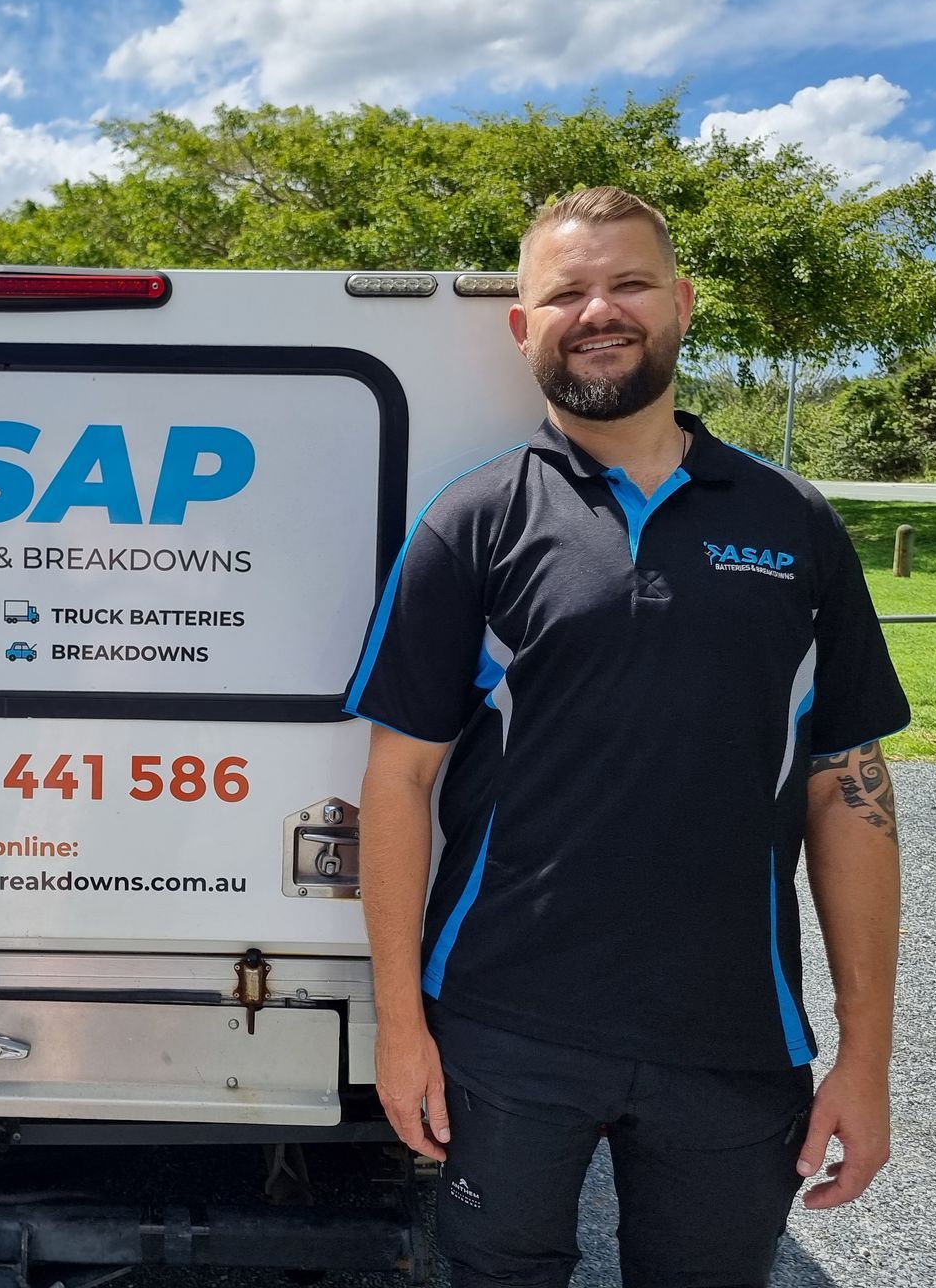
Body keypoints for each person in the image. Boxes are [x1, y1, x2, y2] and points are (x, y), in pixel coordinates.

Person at [346, 187, 907, 1288]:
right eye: (567, 293)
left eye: (629, 284)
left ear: (681, 305)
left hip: (736, 1035)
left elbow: (848, 790)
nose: (598, 311)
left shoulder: (794, 522)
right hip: (502, 1025)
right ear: (525, 327)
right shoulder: (474, 520)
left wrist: (867, 1057)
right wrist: (402, 1026)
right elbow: (399, 781)